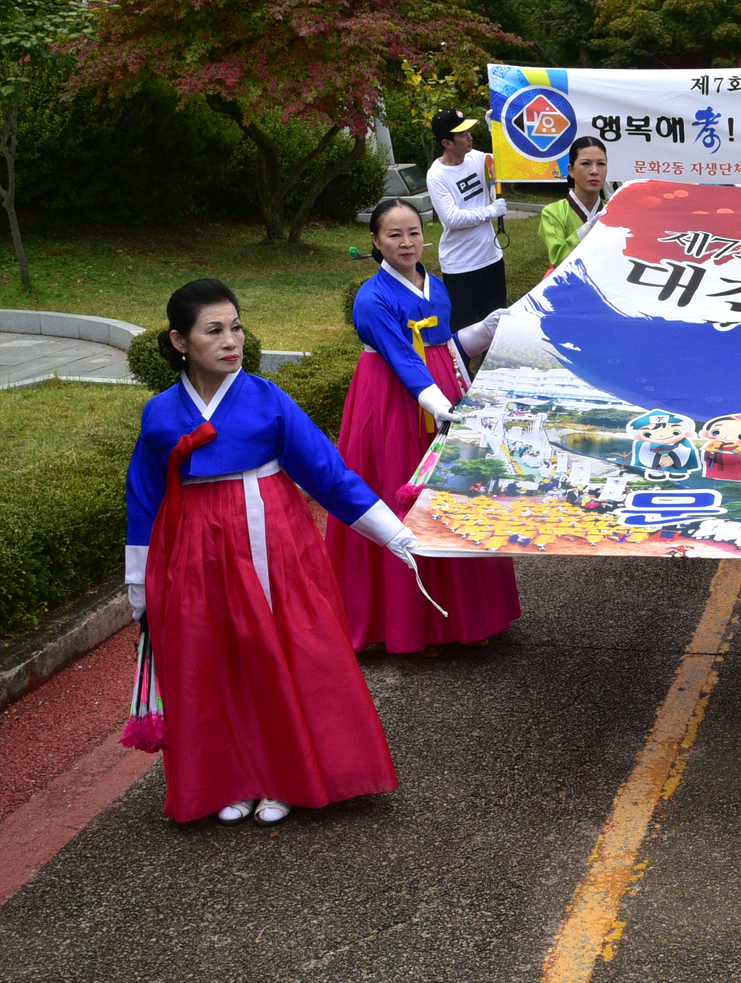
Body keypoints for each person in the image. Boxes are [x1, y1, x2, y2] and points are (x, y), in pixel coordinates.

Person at [125, 279, 408, 826]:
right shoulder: (160, 414)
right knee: (214, 658)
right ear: (179, 341)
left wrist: (395, 534)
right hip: (195, 554)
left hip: (271, 541)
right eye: (214, 330)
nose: (231, 341)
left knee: (285, 652)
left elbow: (327, 473)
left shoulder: (267, 398)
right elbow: (143, 500)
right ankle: (233, 778)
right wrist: (139, 586)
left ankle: (287, 777)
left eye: (236, 327)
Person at [327, 198, 521, 656]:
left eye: (413, 232)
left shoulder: (436, 287)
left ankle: (467, 617)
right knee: (401, 492)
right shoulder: (371, 298)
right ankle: (413, 626)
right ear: (375, 242)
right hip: (391, 400)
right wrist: (436, 402)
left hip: (440, 392)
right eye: (394, 235)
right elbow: (400, 356)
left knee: (454, 496)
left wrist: (484, 330)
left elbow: (445, 346)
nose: (406, 242)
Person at [424, 109, 509, 331]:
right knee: (464, 330)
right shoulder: (437, 175)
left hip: (491, 258)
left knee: (496, 324)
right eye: (462, 134)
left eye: (469, 131)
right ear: (447, 143)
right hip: (461, 265)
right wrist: (491, 211)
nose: (470, 137)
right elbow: (452, 218)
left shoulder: (476, 158)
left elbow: (504, 162)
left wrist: (496, 131)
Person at [540, 136, 609, 270]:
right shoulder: (553, 213)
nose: (594, 171)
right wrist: (589, 227)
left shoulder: (613, 210)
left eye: (601, 164)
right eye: (586, 164)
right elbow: (558, 259)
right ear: (571, 170)